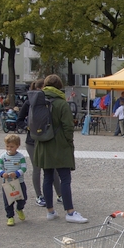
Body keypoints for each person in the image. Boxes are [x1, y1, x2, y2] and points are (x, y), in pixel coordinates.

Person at [34, 74, 88, 223]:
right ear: (59, 86)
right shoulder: (61, 103)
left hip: (43, 143)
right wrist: (69, 142)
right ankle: (70, 212)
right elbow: (68, 126)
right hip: (59, 144)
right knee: (65, 178)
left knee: (47, 177)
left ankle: (50, 211)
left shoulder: (38, 100)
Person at [17, 79, 61, 207]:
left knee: (52, 169)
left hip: (47, 140)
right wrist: (29, 128)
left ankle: (60, 195)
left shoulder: (49, 103)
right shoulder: (29, 102)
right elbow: (19, 120)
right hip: (32, 141)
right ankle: (39, 196)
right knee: (37, 169)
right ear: (40, 88)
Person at [0, 134, 28, 226]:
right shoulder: (3, 156)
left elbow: (24, 167)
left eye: (12, 146)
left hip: (19, 182)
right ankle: (10, 217)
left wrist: (17, 173)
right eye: (7, 146)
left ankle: (19, 209)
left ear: (17, 146)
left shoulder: (20, 157)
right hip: (7, 183)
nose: (9, 148)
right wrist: (2, 173)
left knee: (23, 199)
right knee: (8, 201)